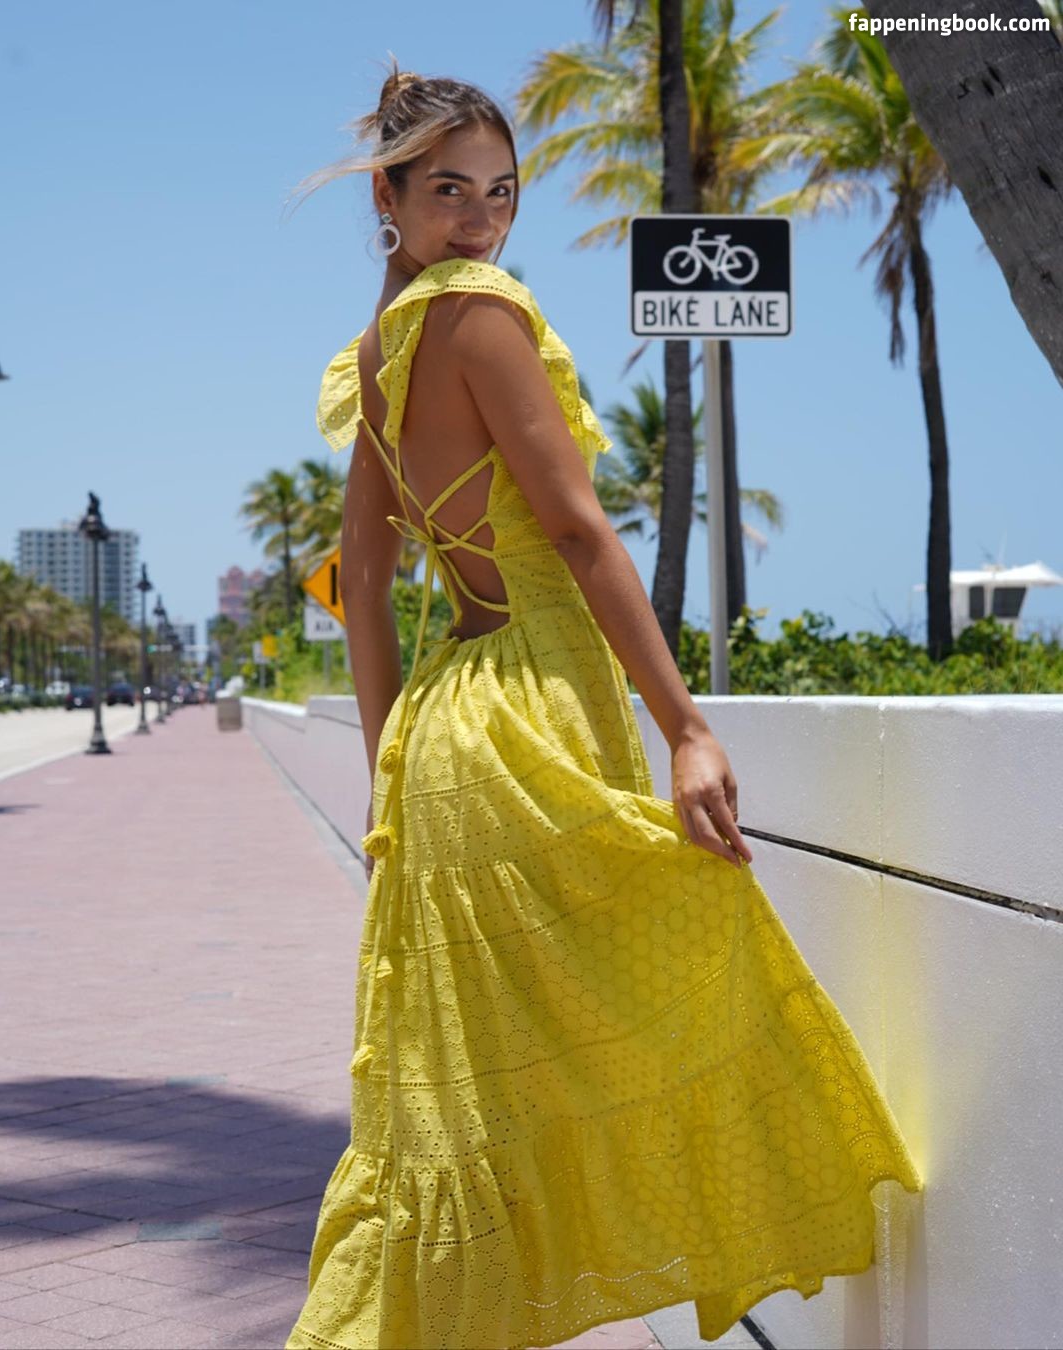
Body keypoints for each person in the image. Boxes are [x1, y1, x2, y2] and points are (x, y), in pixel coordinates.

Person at [283, 64, 922, 1350]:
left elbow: (363, 588)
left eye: (502, 192)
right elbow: (579, 533)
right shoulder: (481, 315)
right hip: (527, 716)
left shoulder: (379, 356)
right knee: (675, 986)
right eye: (449, 190)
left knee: (483, 1099)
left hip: (445, 741)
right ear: (389, 203)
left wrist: (388, 770)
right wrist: (688, 727)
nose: (480, 219)